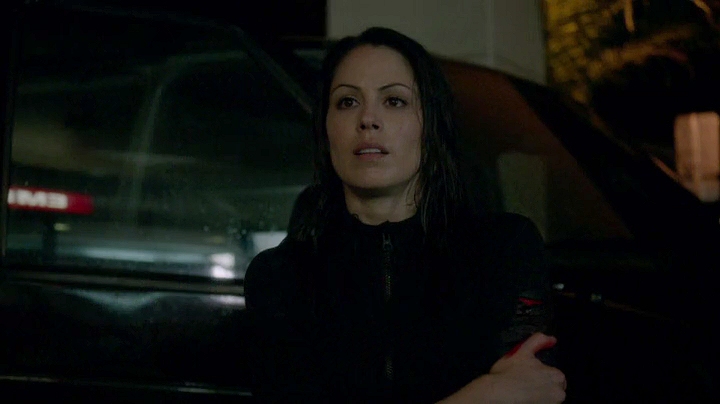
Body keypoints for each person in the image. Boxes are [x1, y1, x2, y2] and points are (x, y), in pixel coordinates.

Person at [245, 26, 567, 403]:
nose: (368, 119)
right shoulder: (280, 278)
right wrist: (488, 394)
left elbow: (534, 392)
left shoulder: (503, 250)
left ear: (430, 123)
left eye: (394, 101)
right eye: (347, 101)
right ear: (325, 126)